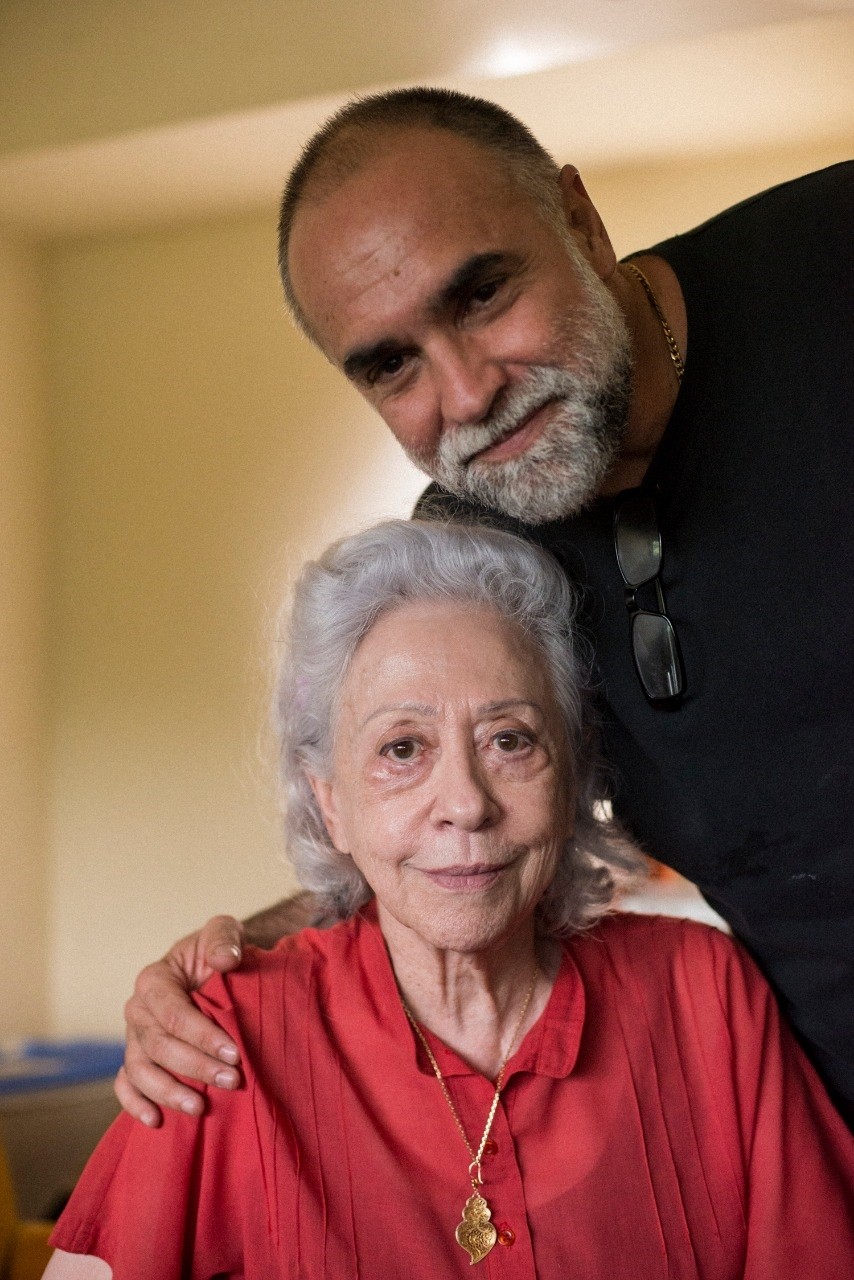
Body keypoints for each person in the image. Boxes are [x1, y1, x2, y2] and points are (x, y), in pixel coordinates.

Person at [117, 89, 854, 1124]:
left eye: (480, 296)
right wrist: (233, 957)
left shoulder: (829, 262)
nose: (466, 395)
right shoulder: (480, 550)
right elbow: (450, 831)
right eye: (392, 364)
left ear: (581, 224)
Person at [46, 521, 854, 1279]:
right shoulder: (225, 1039)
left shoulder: (704, 997)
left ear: (573, 775)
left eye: (510, 740)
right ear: (331, 803)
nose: (465, 803)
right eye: (403, 748)